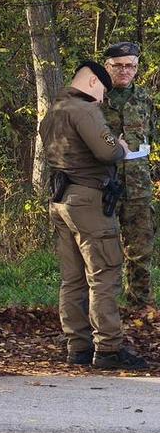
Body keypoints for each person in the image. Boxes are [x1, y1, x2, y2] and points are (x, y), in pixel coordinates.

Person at [40, 61, 149, 370]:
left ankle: (78, 346)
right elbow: (108, 152)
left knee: (72, 278)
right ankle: (109, 348)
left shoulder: (54, 109)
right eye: (102, 90)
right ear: (91, 83)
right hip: (89, 200)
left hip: (61, 199)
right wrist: (121, 146)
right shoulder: (84, 110)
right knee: (104, 273)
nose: (102, 98)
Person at [101, 42, 155, 308]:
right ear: (107, 66)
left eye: (130, 66)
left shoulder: (145, 99)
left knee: (141, 251)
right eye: (119, 66)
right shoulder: (95, 98)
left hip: (138, 187)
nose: (125, 71)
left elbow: (150, 139)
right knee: (102, 253)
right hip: (102, 186)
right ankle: (104, 310)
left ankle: (141, 308)